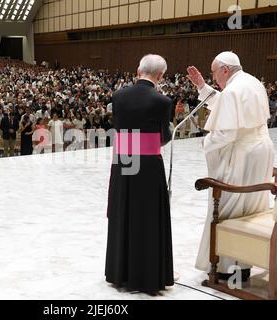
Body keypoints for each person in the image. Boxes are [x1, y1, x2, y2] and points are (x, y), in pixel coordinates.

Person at [187, 51, 274, 282]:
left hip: (242, 155)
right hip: (261, 151)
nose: (214, 78)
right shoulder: (252, 82)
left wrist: (205, 143)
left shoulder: (234, 89)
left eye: (214, 73)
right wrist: (203, 88)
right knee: (250, 209)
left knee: (228, 208)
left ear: (225, 69)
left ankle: (226, 269)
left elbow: (227, 131)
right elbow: (231, 107)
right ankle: (243, 265)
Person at [105, 54, 174, 295]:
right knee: (146, 216)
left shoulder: (118, 96)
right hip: (148, 164)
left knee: (123, 210)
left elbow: (119, 127)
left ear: (138, 70)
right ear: (161, 76)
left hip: (124, 159)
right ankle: (146, 274)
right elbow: (163, 137)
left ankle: (119, 272)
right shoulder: (163, 101)